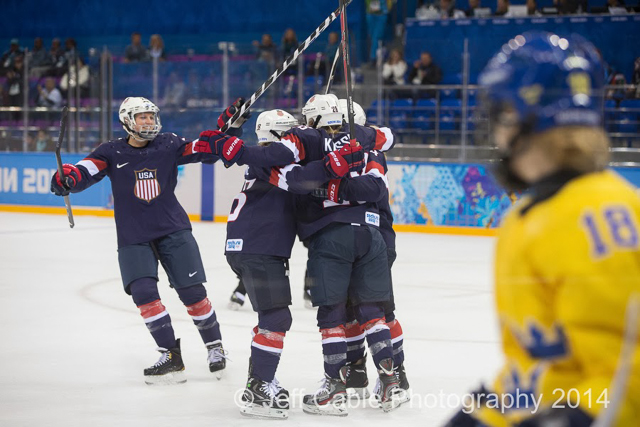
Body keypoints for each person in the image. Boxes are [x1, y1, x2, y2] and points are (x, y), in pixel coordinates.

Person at [444, 31, 640, 427]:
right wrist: (488, 416)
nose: (495, 132)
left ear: (529, 117)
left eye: (500, 115)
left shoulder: (606, 214)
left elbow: (626, 370)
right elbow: (533, 368)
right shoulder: (522, 219)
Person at [207, 94, 404, 414]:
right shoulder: (275, 158)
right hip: (260, 247)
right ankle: (258, 388)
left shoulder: (273, 157)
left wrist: (230, 134)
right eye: (287, 133)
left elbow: (242, 155)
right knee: (278, 317)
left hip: (259, 246)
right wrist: (335, 161)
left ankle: (261, 382)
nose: (294, 136)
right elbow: (285, 171)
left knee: (279, 316)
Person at [50, 97, 230, 385]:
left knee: (192, 293)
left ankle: (215, 347)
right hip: (133, 236)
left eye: (151, 116)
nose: (148, 121)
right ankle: (171, 355)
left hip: (173, 230)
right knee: (143, 294)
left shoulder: (169, 144)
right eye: (142, 117)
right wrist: (68, 178)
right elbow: (85, 171)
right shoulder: (110, 151)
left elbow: (204, 151)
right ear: (127, 121)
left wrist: (227, 133)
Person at [366, 0, 390, 66]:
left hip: (381, 15)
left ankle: (373, 58)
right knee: (372, 37)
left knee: (376, 37)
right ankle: (381, 54)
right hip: (370, 15)